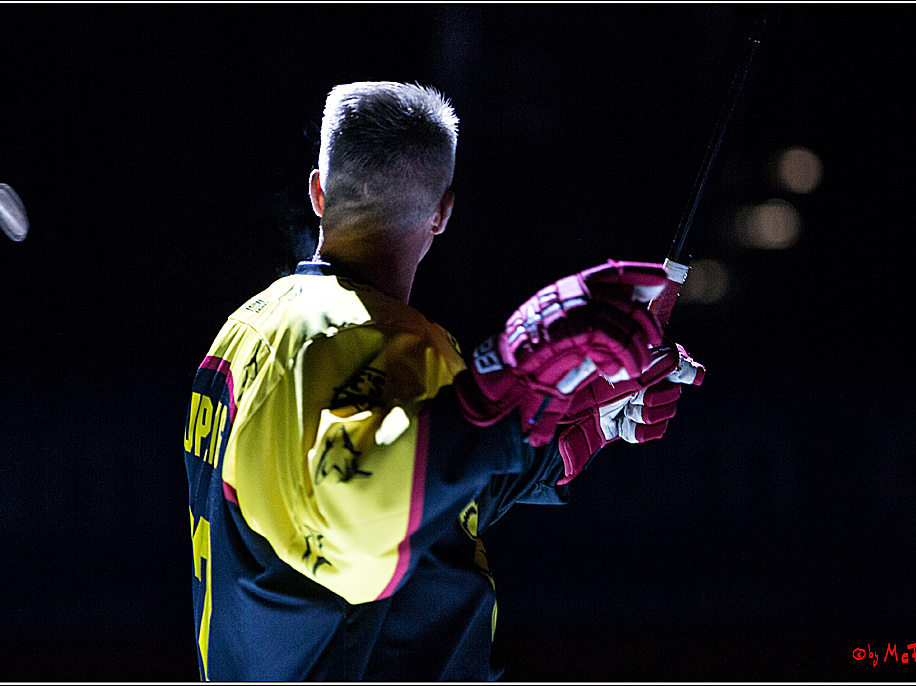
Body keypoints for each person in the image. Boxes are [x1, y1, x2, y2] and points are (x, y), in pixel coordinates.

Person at [183, 81, 704, 681]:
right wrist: (500, 379)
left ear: (319, 192)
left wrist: (570, 426)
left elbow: (421, 507)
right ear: (442, 212)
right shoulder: (371, 343)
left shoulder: (249, 328)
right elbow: (358, 510)